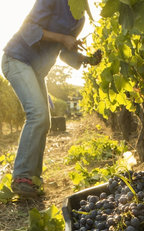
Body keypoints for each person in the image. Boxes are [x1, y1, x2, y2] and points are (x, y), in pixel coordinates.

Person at [1, 0, 101, 198]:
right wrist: (64, 37)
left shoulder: (79, 17)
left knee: (44, 121)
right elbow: (28, 28)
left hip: (36, 70)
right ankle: (22, 177)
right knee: (37, 114)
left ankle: (32, 180)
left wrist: (86, 59)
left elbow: (64, 52)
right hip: (17, 59)